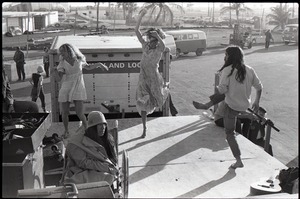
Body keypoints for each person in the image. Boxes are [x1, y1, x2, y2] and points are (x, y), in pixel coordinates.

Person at [216, 45, 263, 169]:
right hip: (245, 105)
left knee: (230, 133)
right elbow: (259, 87)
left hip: (231, 106)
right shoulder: (249, 69)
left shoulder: (227, 70)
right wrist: (257, 102)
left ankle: (238, 161)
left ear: (229, 57)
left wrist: (219, 86)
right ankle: (249, 116)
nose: (224, 57)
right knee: (240, 119)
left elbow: (222, 90)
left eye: (225, 55)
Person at [135, 9, 178, 138]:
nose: (151, 40)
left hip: (153, 77)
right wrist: (141, 16)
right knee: (143, 103)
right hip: (143, 77)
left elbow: (164, 45)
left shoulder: (160, 48)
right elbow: (136, 32)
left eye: (154, 38)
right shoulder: (145, 46)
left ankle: (169, 101)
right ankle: (144, 128)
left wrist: (158, 35)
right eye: (151, 38)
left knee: (157, 100)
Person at [55, 43, 108, 138]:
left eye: (63, 51)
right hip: (67, 87)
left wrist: (100, 65)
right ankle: (66, 131)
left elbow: (88, 67)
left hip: (79, 86)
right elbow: (59, 78)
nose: (61, 53)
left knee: (79, 112)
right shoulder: (62, 63)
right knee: (65, 112)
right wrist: (54, 72)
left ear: (69, 50)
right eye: (60, 51)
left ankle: (87, 128)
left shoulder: (79, 60)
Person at [63, 111, 118, 185]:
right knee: (107, 177)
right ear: (92, 127)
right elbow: (83, 163)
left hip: (99, 169)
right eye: (99, 125)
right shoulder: (76, 143)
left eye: (104, 124)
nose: (103, 128)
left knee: (110, 176)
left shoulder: (107, 138)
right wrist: (106, 168)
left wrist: (111, 167)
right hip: (79, 172)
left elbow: (111, 158)